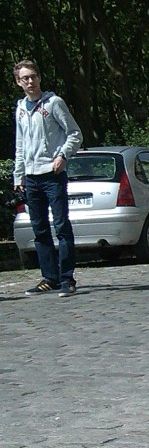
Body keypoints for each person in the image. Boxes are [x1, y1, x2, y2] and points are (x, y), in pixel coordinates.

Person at [12, 59, 82, 297]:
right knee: (39, 229)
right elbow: (20, 145)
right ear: (18, 82)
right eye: (25, 78)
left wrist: (62, 155)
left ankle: (67, 278)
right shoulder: (21, 108)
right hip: (31, 178)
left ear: (39, 78)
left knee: (61, 226)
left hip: (52, 174)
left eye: (33, 76)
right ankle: (48, 277)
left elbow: (75, 133)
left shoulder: (54, 103)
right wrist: (18, 175)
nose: (30, 82)